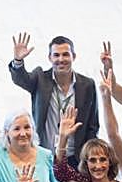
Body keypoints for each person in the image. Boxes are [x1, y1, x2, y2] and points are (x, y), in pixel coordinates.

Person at [8, 33, 99, 167]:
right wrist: (17, 61)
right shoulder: (40, 78)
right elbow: (21, 80)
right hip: (45, 156)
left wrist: (90, 157)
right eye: (56, 55)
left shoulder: (87, 84)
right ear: (49, 57)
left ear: (74, 56)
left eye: (65, 54)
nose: (61, 59)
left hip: (77, 158)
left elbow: (93, 124)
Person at [53, 109, 122, 182]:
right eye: (92, 160)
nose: (98, 166)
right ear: (86, 163)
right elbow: (60, 170)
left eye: (103, 160)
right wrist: (63, 138)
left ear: (110, 162)